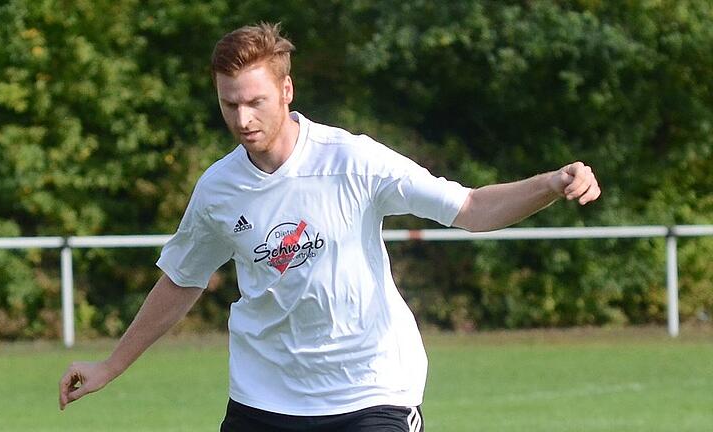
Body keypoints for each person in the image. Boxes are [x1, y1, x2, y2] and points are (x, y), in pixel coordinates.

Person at [59, 22, 600, 431]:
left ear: (287, 91)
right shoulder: (218, 189)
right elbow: (181, 280)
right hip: (265, 395)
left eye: (255, 102)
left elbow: (471, 207)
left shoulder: (353, 161)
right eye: (230, 104)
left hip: (371, 389)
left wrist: (550, 183)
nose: (243, 119)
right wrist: (110, 365)